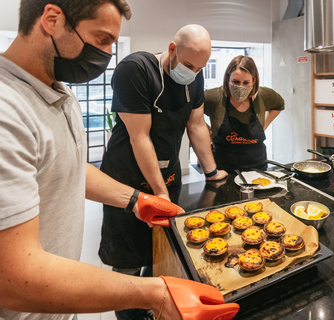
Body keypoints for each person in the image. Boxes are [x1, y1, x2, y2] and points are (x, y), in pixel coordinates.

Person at [0, 1, 238, 320]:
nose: (109, 54)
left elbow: (67, 167)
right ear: (52, 20)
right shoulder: (7, 110)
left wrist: (137, 200)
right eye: (102, 40)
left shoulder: (60, 95)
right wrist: (156, 295)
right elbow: (14, 278)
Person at [98, 24, 228, 319]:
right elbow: (139, 136)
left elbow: (195, 126)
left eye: (201, 68)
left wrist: (212, 172)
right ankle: (130, 313)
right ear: (172, 49)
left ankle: (151, 308)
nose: (194, 72)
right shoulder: (136, 70)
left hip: (168, 178)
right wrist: (159, 193)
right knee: (129, 259)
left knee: (160, 254)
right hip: (127, 179)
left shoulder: (192, 79)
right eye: (190, 65)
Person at [204, 55, 285, 173]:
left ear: (254, 80)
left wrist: (264, 125)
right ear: (227, 79)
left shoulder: (264, 95)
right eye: (235, 82)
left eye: (246, 82)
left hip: (257, 167)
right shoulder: (214, 97)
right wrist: (206, 132)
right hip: (223, 168)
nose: (240, 87)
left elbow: (279, 104)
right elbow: (190, 110)